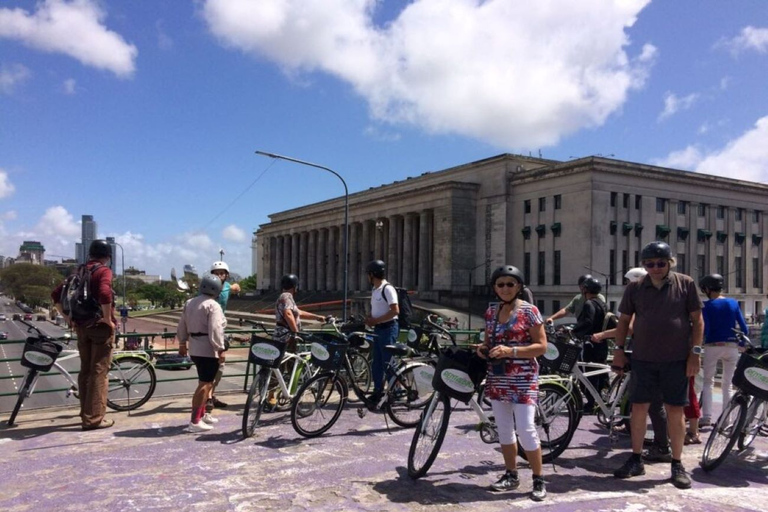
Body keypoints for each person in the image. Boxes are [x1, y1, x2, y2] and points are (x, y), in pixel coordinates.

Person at [611, 241, 703, 489]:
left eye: (661, 263)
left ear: (670, 263)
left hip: (676, 359)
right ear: (644, 265)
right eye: (650, 264)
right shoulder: (635, 288)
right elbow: (624, 321)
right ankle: (636, 458)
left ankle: (676, 463)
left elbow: (697, 320)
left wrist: (695, 354)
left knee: (675, 410)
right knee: (639, 408)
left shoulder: (685, 283)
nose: (655, 268)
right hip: (642, 358)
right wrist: (619, 351)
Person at [476, 265, 548, 501]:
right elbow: (488, 342)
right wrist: (482, 349)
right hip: (498, 377)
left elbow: (541, 346)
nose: (505, 288)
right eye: (500, 284)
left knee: (526, 429)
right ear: (494, 287)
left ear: (519, 286)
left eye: (510, 284)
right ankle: (511, 474)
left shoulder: (529, 311)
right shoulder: (491, 312)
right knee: (504, 429)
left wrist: (511, 351)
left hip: (523, 378)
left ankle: (538, 478)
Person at [594, 267, 671, 463]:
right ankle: (660, 444)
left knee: (649, 402)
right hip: (651, 353)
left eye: (629, 283)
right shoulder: (655, 297)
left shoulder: (641, 299)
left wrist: (603, 335)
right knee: (648, 401)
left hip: (645, 355)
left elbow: (627, 327)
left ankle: (661, 447)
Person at [51, 239, 117, 431]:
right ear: (108, 256)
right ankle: (94, 419)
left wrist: (67, 317)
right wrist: (108, 319)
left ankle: (85, 413)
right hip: (98, 327)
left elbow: (55, 295)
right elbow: (105, 293)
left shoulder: (78, 271)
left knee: (86, 370)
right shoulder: (103, 271)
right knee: (99, 371)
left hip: (80, 326)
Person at [177, 274, 227, 432]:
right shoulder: (213, 305)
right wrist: (220, 349)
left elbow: (182, 324)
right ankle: (195, 421)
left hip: (194, 346)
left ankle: (203, 413)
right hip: (208, 348)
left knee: (207, 382)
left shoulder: (190, 302)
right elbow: (215, 329)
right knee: (205, 384)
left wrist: (182, 342)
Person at [698, 273, 748, 427]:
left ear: (707, 289)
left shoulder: (705, 306)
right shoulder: (733, 303)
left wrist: (700, 343)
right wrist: (741, 342)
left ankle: (706, 417)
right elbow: (744, 328)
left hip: (712, 346)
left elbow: (706, 329)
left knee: (708, 382)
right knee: (728, 384)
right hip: (731, 346)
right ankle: (726, 419)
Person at [205, 261, 241, 410]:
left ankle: (210, 395)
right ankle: (208, 398)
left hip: (220, 327)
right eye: (216, 273)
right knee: (211, 364)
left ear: (226, 275)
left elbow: (236, 287)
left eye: (222, 273)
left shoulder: (226, 286)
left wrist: (235, 287)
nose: (219, 276)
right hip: (207, 328)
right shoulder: (207, 287)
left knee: (220, 365)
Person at [364, 260, 400, 401]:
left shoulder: (387, 289)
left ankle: (395, 392)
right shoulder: (375, 290)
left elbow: (395, 311)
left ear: (372, 275)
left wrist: (376, 320)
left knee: (388, 362)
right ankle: (378, 391)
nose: (367, 277)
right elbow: (378, 309)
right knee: (377, 363)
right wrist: (370, 318)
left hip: (389, 328)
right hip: (378, 329)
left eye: (368, 274)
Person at [571, 276, 607, 413]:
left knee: (588, 375)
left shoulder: (589, 304)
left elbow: (588, 322)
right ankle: (600, 401)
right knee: (599, 373)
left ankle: (591, 403)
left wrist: (574, 331)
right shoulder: (602, 303)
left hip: (590, 344)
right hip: (602, 343)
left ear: (585, 290)